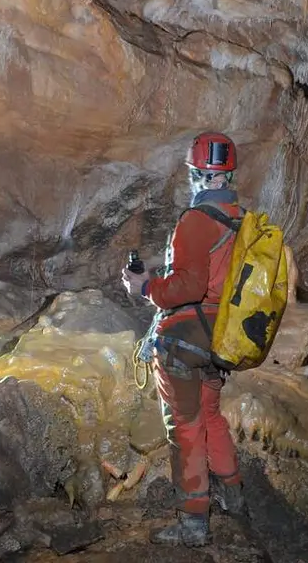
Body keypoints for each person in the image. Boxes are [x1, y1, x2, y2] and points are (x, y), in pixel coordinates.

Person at [121, 131, 246, 547]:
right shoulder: (241, 220)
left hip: (185, 341)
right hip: (220, 339)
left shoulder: (197, 220)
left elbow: (189, 287)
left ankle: (194, 522)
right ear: (227, 174)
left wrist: (144, 287)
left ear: (197, 174)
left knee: (186, 426)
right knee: (211, 416)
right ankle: (234, 497)